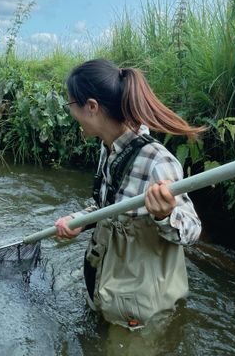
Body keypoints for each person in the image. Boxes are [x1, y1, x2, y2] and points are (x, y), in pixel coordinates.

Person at [55, 58, 204, 330]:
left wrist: (165, 214)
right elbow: (106, 205)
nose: (70, 113)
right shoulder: (108, 147)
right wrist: (78, 221)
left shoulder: (158, 162)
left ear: (91, 107)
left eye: (70, 105)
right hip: (107, 283)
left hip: (138, 305)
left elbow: (192, 231)